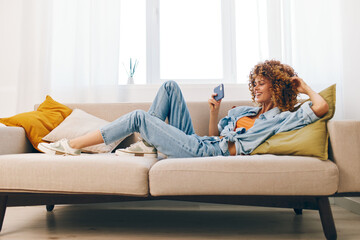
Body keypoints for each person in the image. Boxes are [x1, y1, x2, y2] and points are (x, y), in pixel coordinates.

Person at [39, 60, 329, 158]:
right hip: (202, 143)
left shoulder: (282, 119)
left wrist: (302, 87)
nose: (255, 88)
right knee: (169, 86)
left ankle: (72, 146)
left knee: (139, 117)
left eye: (261, 83)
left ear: (277, 87)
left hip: (207, 153)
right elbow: (213, 135)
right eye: (253, 82)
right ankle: (151, 145)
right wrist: (215, 111)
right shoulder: (244, 112)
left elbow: (321, 107)